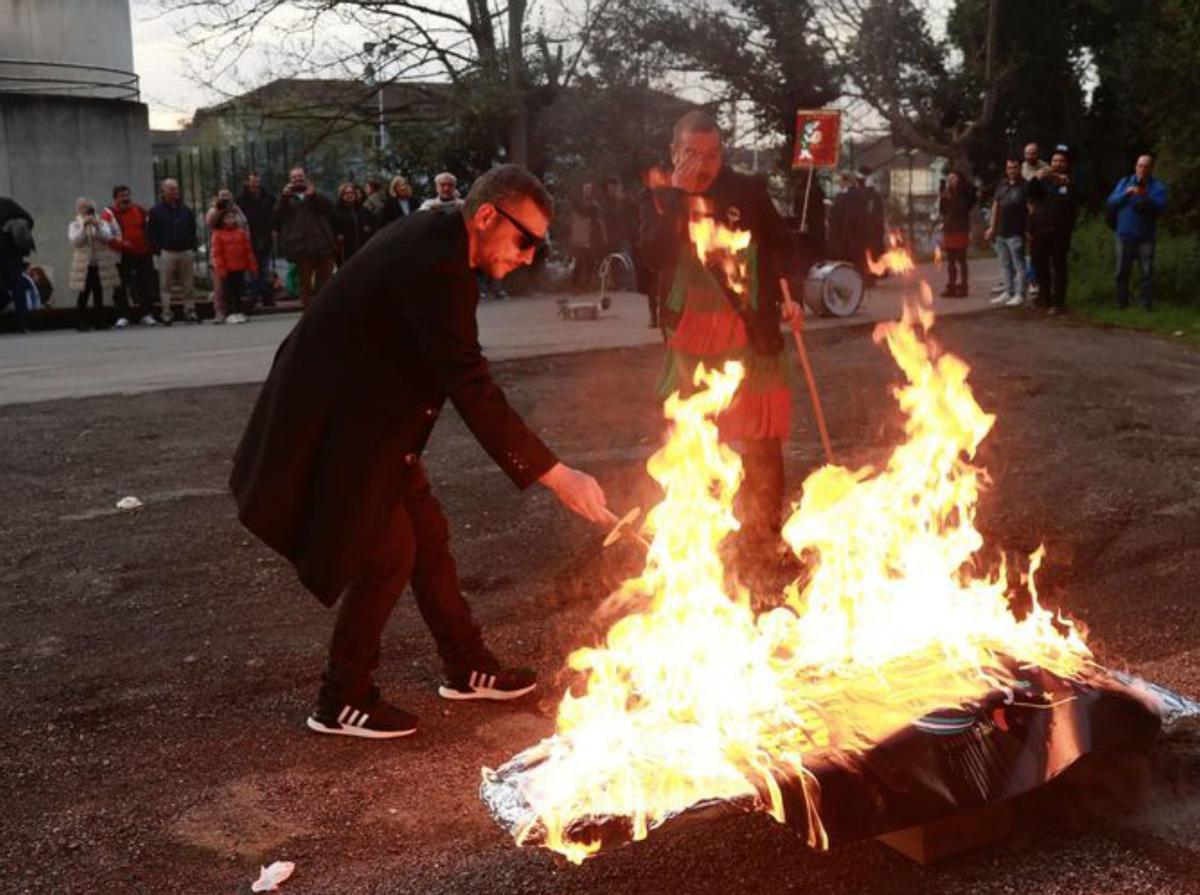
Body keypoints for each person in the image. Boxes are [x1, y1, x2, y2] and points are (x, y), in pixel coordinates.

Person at [229, 164, 611, 739]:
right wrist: (557, 475)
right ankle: (341, 699)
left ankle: (468, 666)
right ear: (486, 217)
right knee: (389, 554)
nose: (529, 256)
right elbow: (471, 386)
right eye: (525, 240)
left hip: (378, 422)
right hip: (338, 425)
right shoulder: (439, 267)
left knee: (427, 536)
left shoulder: (439, 239)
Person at [639, 109, 794, 567]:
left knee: (761, 436)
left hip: (751, 328)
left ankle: (766, 531)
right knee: (697, 430)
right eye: (693, 153)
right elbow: (652, 257)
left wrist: (793, 294)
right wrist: (679, 197)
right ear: (674, 152)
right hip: (692, 335)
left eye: (713, 153)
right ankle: (702, 534)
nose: (705, 164)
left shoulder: (747, 189)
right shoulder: (659, 195)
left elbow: (780, 243)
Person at [1107, 154, 1168, 310]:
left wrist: (1144, 196)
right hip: (1124, 235)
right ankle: (1121, 303)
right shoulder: (1125, 182)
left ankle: (1145, 305)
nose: (1142, 169)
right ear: (1135, 166)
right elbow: (1111, 202)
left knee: (1146, 273)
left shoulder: (1158, 187)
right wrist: (1127, 193)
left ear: (1151, 169)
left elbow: (1161, 208)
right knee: (1121, 272)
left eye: (1146, 166)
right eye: (1140, 165)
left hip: (1146, 237)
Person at [1026, 145, 1081, 316]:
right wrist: (1036, 178)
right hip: (1041, 228)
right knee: (1039, 263)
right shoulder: (1044, 180)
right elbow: (1028, 193)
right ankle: (1044, 296)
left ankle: (1059, 302)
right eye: (1054, 161)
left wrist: (1068, 184)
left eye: (1061, 161)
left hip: (1060, 230)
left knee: (1058, 266)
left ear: (1066, 164)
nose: (1057, 164)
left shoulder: (1071, 182)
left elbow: (1077, 201)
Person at [273, 166, 337, 311]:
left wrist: (313, 195)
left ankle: (325, 309)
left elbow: (329, 207)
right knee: (305, 283)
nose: (297, 179)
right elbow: (277, 217)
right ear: (290, 180)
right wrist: (284, 198)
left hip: (322, 244)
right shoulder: (286, 198)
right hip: (300, 247)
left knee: (325, 280)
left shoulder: (315, 192)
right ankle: (309, 311)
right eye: (294, 177)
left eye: (300, 176)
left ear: (306, 177)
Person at [102, 186, 158, 326]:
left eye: (127, 195)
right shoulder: (109, 214)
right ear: (115, 198)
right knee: (120, 286)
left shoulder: (139, 210)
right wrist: (122, 245)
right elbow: (106, 234)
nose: (125, 198)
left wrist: (150, 245)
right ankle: (122, 316)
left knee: (145, 285)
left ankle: (146, 314)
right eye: (122, 196)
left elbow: (149, 227)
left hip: (143, 253)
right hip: (122, 254)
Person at [147, 178, 200, 324]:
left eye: (176, 189)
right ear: (163, 192)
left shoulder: (186, 210)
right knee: (165, 285)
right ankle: (166, 313)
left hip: (185, 251)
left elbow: (192, 229)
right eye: (171, 189)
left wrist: (193, 248)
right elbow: (150, 233)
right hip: (167, 252)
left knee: (188, 285)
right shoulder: (156, 211)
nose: (175, 192)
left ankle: (190, 312)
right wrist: (158, 250)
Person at [68, 197, 120, 331]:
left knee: (99, 292)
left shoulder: (101, 222)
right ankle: (81, 321)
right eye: (83, 207)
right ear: (79, 210)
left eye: (88, 207)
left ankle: (99, 321)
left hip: (99, 262)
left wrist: (96, 226)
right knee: (84, 293)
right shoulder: (74, 224)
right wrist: (84, 227)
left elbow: (108, 237)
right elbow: (75, 241)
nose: (86, 210)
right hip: (84, 264)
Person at [984, 157, 1029, 307]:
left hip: (1016, 232)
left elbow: (1031, 209)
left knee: (1019, 264)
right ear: (1006, 169)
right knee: (1005, 264)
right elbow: (996, 206)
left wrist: (1029, 229)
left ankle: (1020, 294)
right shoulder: (1002, 185)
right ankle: (1008, 292)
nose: (1012, 171)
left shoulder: (1025, 186)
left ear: (1019, 168)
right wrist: (992, 227)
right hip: (1001, 232)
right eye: (1010, 168)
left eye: (1015, 167)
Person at [204, 189, 249, 323]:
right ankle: (220, 312)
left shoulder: (236, 210)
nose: (225, 199)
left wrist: (235, 211)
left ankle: (237, 311)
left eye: (227, 196)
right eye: (222, 196)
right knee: (220, 288)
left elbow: (243, 224)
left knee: (236, 287)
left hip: (235, 256)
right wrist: (219, 208)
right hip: (220, 256)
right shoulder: (214, 210)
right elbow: (210, 223)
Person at [210, 209, 258, 325]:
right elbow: (217, 253)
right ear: (222, 220)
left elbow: (248, 250)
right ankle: (230, 313)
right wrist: (220, 268)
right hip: (227, 268)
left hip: (239, 266)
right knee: (229, 292)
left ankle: (239, 311)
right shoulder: (218, 234)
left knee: (239, 291)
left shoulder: (240, 233)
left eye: (233, 217)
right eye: (228, 218)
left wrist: (252, 266)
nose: (231, 220)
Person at [236, 172, 277, 309]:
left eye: (257, 181)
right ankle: (252, 297)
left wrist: (273, 229)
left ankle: (267, 296)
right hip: (248, 237)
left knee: (265, 268)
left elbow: (274, 214)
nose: (256, 184)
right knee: (251, 269)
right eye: (253, 181)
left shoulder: (268, 198)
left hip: (265, 236)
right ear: (247, 183)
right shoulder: (241, 200)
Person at [938, 170, 977, 298]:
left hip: (960, 229)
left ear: (959, 179)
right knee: (950, 261)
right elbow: (942, 210)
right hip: (949, 229)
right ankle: (951, 286)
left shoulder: (964, 193)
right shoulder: (947, 193)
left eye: (953, 178)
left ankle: (964, 286)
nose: (951, 181)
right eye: (949, 179)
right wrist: (943, 197)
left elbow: (966, 205)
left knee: (961, 259)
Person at [0, 195, 35, 333]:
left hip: (11, 255)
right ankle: (23, 325)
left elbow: (28, 220)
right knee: (17, 289)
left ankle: (21, 324)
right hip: (13, 255)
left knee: (14, 289)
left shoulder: (7, 204)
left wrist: (14, 225)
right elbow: (29, 220)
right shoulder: (8, 204)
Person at [568, 181, 606, 293]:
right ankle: (575, 285)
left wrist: (603, 235)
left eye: (589, 189)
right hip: (580, 235)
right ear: (583, 190)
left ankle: (587, 284)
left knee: (590, 261)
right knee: (579, 261)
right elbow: (578, 215)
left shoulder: (595, 204)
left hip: (592, 235)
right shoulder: (579, 204)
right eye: (586, 189)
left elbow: (599, 220)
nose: (588, 191)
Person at [330, 182, 373, 266]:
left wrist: (369, 228)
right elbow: (331, 228)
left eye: (352, 193)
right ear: (341, 195)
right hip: (345, 250)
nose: (350, 195)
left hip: (362, 247)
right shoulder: (335, 212)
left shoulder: (363, 210)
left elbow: (373, 223)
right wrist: (336, 235)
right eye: (346, 193)